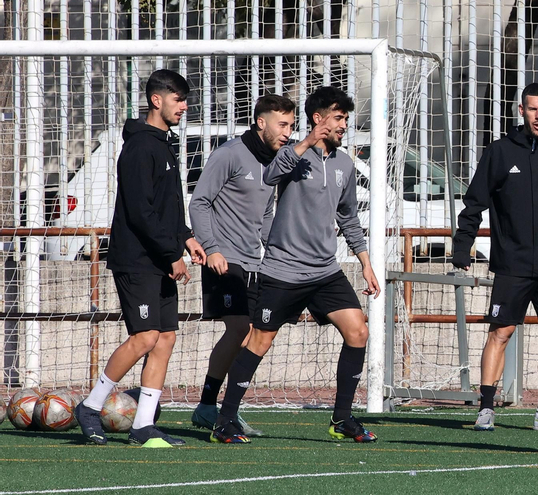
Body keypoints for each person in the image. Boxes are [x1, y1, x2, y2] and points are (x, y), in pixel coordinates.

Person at [211, 86, 382, 444]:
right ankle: (224, 420)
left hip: (325, 271)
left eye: (346, 119)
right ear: (318, 119)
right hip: (283, 270)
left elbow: (349, 218)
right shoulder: (291, 153)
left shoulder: (345, 164)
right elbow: (271, 176)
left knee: (358, 331)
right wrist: (304, 143)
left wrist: (365, 262)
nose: (343, 125)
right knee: (258, 341)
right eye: (338, 118)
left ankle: (342, 419)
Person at [74, 69, 207, 447]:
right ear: (156, 100)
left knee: (165, 338)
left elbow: (166, 208)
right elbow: (140, 213)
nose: (184, 106)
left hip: (159, 257)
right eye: (178, 99)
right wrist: (172, 255)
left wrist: (187, 237)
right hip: (138, 260)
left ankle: (144, 426)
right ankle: (91, 405)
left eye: (185, 99)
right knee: (146, 335)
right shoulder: (140, 147)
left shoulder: (164, 144)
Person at [452, 83, 538, 433]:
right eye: (532, 109)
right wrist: (462, 245)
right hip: (513, 264)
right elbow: (475, 202)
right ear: (521, 111)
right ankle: (486, 408)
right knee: (501, 331)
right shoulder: (500, 152)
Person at [187, 94, 296, 436]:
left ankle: (225, 409)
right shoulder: (229, 155)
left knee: (251, 334)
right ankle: (208, 406)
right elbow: (199, 202)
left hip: (254, 262)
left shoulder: (275, 161)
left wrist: (277, 249)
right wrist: (212, 248)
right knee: (239, 329)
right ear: (261, 122)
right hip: (224, 259)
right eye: (283, 125)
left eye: (292, 126)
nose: (288, 133)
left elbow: (264, 213)